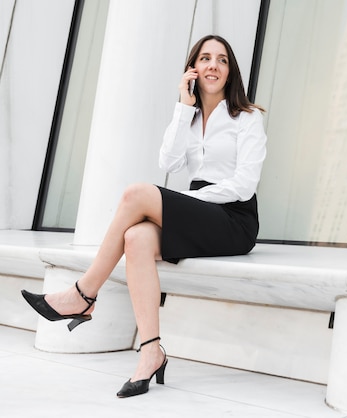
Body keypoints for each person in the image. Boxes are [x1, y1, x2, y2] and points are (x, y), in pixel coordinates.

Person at [21, 35, 267, 398]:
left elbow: (244, 186)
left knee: (136, 195)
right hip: (198, 211)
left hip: (233, 218)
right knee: (135, 238)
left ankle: (84, 293)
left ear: (231, 72)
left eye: (222, 60)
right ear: (193, 69)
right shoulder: (191, 114)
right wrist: (183, 107)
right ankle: (151, 351)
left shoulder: (247, 118)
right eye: (205, 58)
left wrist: (183, 200)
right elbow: (168, 162)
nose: (213, 65)